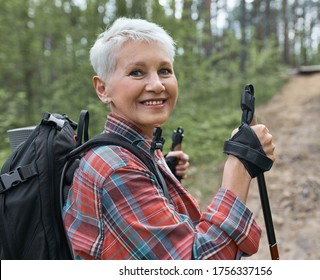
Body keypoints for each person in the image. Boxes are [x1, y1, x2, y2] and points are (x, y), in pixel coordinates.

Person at [62, 17, 276, 260]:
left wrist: (160, 173)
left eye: (164, 70)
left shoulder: (130, 151)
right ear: (103, 89)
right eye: (136, 72)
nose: (157, 85)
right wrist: (240, 164)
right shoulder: (118, 169)